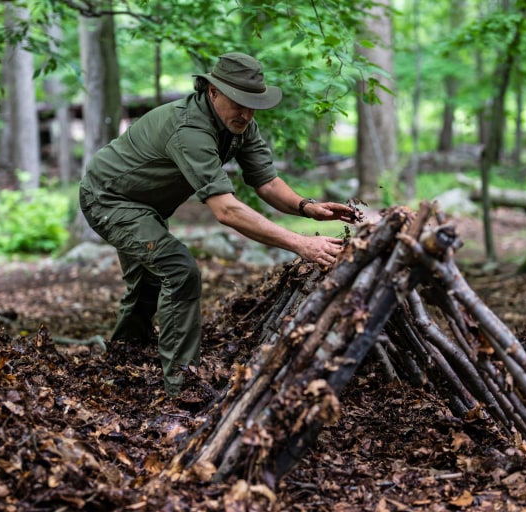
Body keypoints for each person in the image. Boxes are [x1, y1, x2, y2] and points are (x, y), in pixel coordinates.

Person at [79, 52, 358, 397]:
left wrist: (307, 207)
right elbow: (226, 210)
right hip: (109, 199)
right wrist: (301, 243)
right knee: (179, 270)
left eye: (253, 104)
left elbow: (267, 183)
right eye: (239, 102)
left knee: (149, 284)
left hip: (147, 207)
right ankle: (183, 389)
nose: (247, 112)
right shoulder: (190, 130)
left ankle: (122, 360)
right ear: (212, 92)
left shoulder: (239, 124)